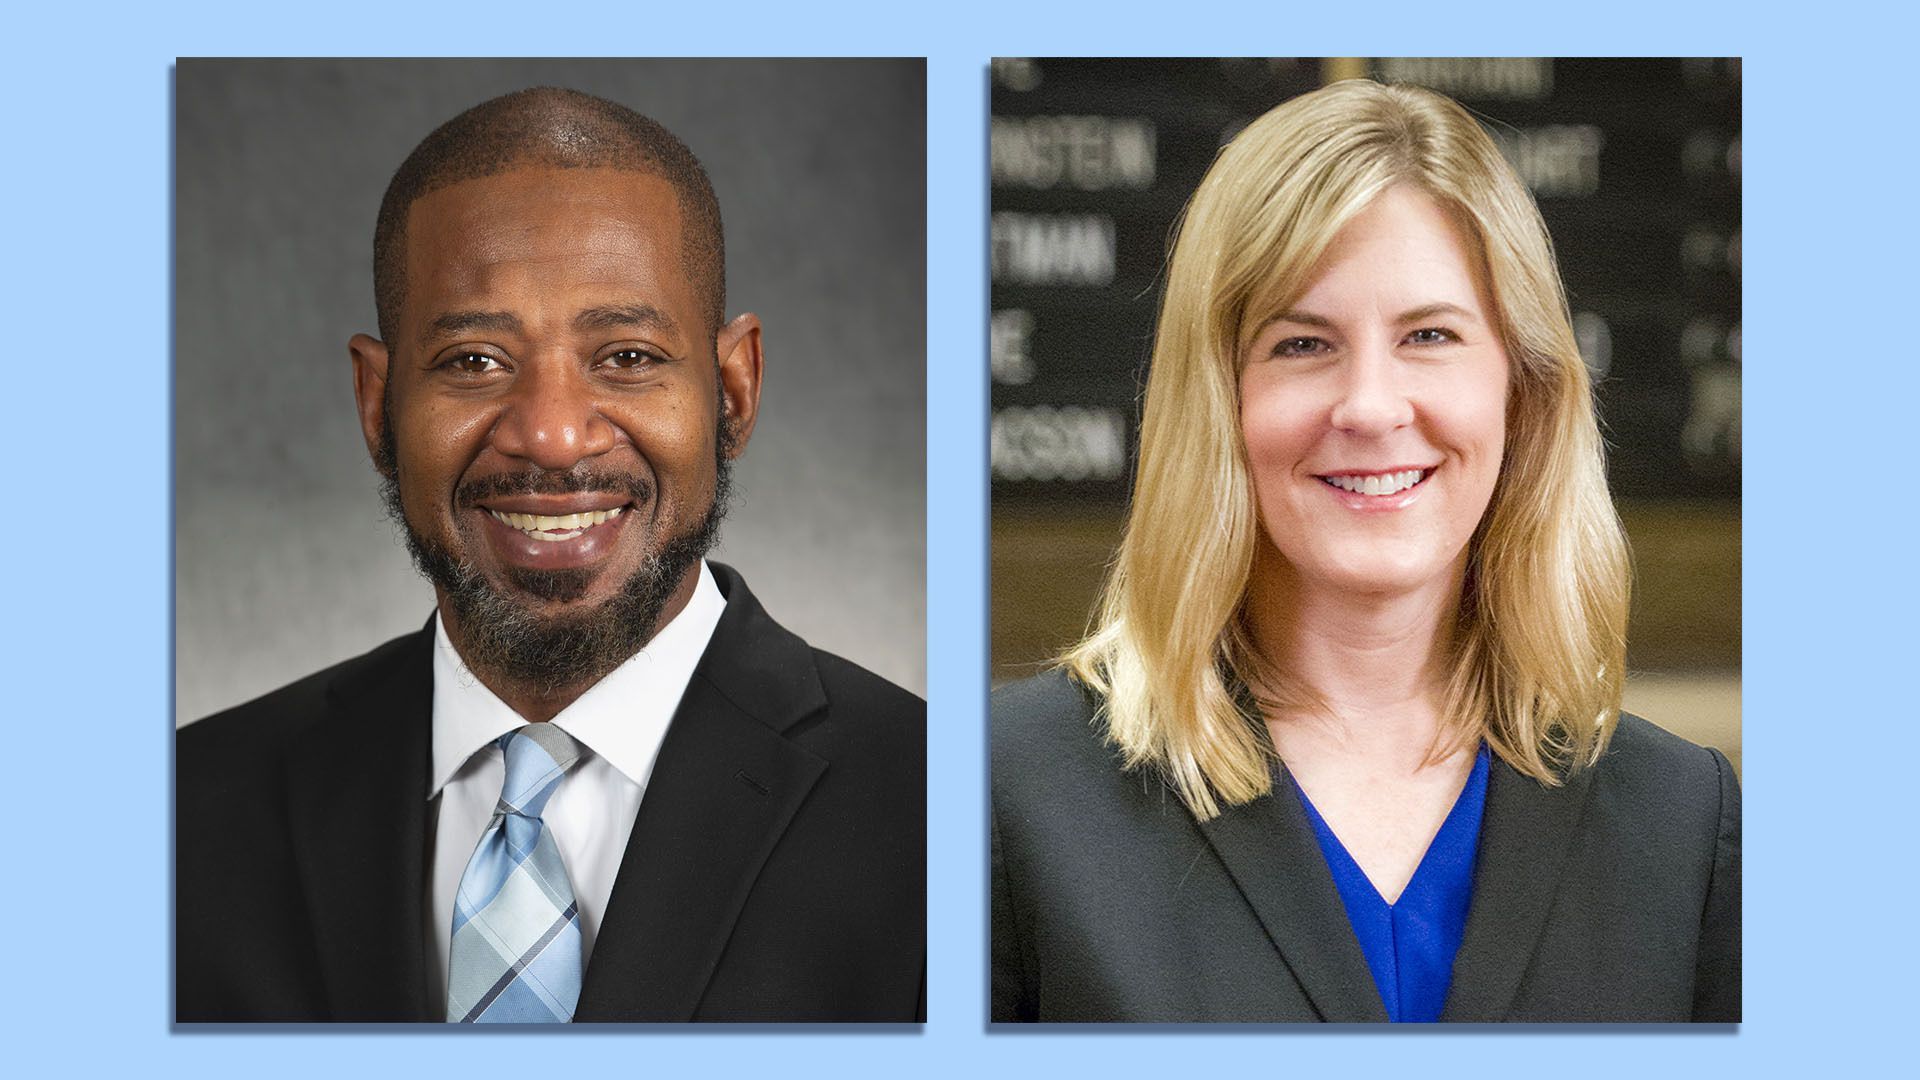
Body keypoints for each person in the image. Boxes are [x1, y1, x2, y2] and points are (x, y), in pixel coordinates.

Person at [990, 79, 1739, 1023]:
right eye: (1303, 345)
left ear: (1524, 388)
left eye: (1429, 335)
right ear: (1216, 397)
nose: (1372, 407)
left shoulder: (1682, 823)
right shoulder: (1004, 794)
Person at [177, 87, 925, 1023]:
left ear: (734, 389)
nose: (554, 435)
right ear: (377, 404)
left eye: (628, 357)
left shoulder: (937, 811)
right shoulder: (186, 815)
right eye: (475, 361)